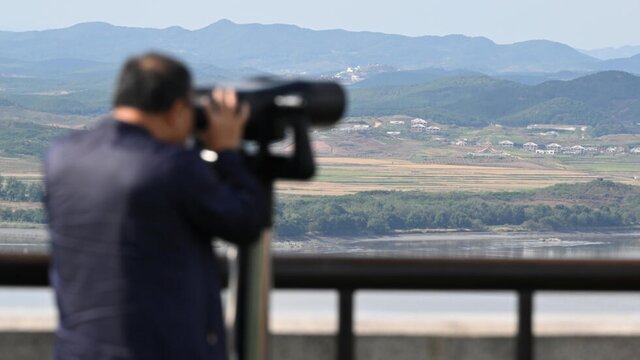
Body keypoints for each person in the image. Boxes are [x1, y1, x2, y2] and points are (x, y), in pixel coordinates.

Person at [44, 52, 264, 359]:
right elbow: (246, 221)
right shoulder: (171, 166)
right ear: (177, 110)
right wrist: (228, 151)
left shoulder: (61, 157)